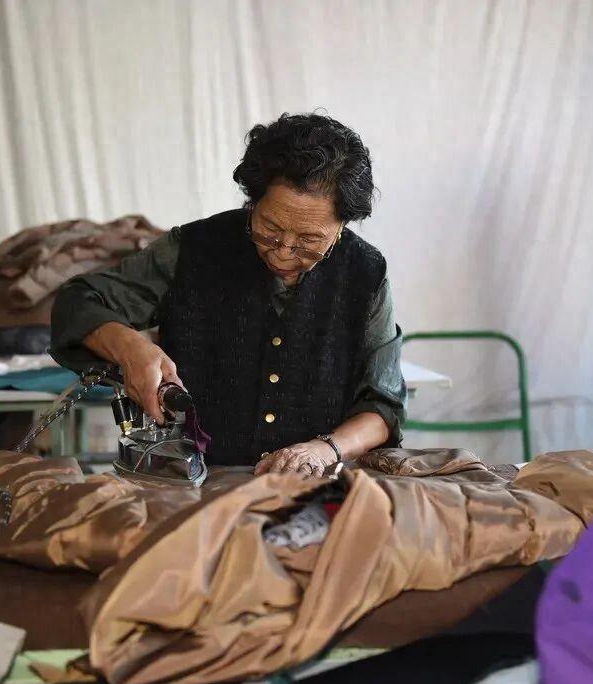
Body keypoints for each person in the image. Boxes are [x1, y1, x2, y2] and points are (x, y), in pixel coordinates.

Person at [51, 113, 406, 476]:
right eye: (269, 228)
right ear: (253, 201)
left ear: (341, 226)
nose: (283, 252)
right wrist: (130, 349)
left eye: (309, 240)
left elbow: (384, 407)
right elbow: (77, 301)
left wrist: (325, 449)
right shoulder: (194, 249)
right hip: (190, 482)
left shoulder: (366, 273)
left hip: (310, 486)